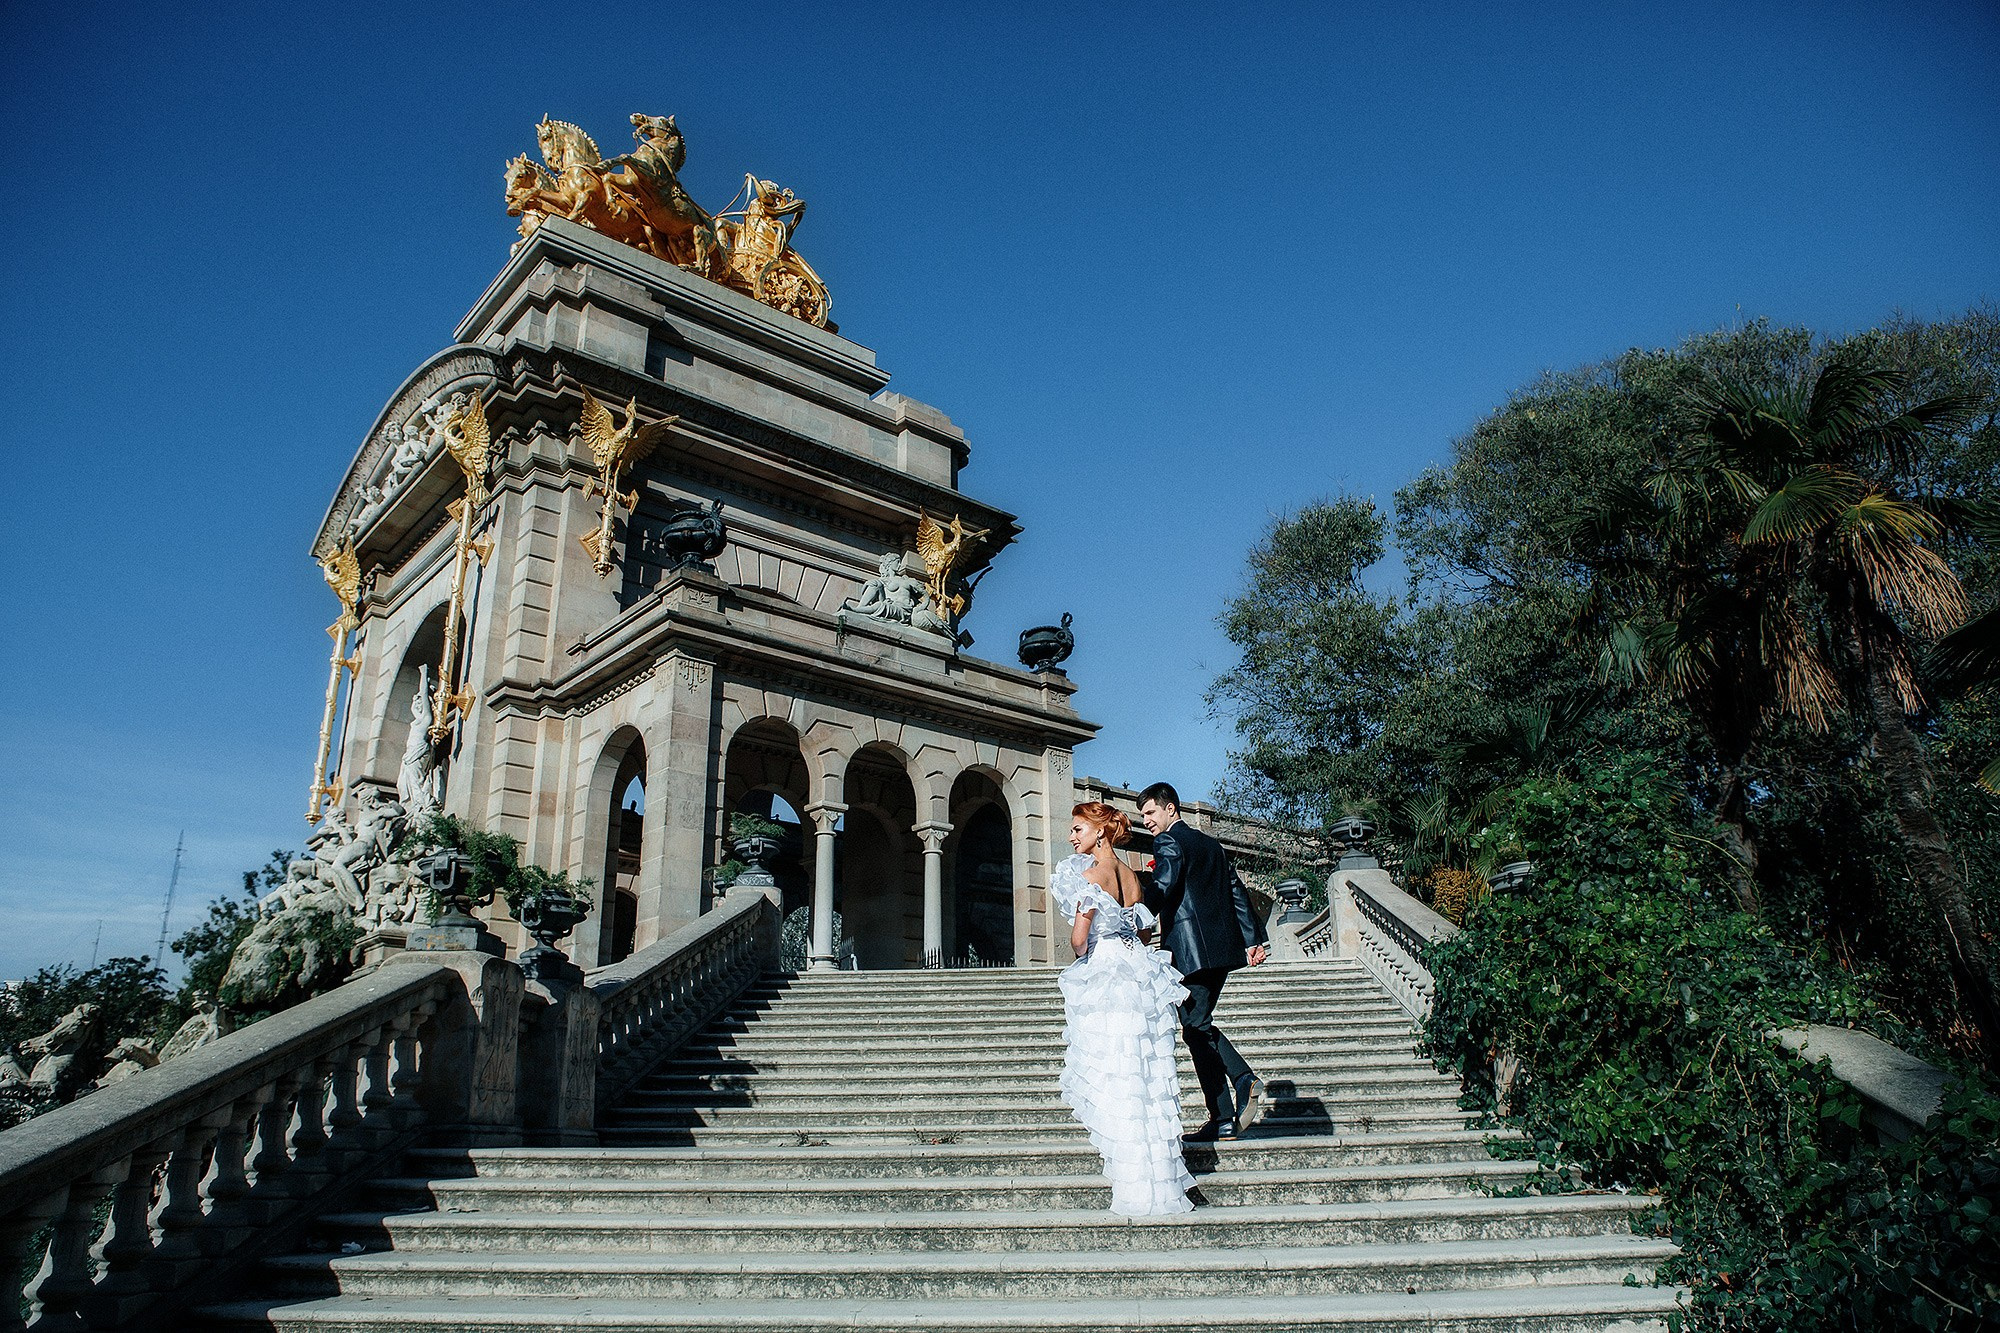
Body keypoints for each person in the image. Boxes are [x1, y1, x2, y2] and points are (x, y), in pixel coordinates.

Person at [1052, 801, 1196, 1215]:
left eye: (1078, 828)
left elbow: (1080, 941)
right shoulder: (1132, 876)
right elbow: (1146, 930)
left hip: (1108, 971)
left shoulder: (1090, 876)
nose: (1072, 836)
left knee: (1117, 1072)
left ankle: (1133, 1184)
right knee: (1145, 1075)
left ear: (1099, 832)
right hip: (1138, 970)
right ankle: (1158, 1181)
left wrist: (1090, 943)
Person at [1139, 781, 1270, 1142]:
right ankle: (1223, 1118)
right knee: (1197, 1025)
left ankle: (1243, 1080)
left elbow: (1163, 886)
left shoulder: (1168, 841)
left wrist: (1133, 913)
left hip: (1191, 953)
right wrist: (1253, 939)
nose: (1147, 820)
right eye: (1144, 815)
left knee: (1195, 1026)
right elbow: (1236, 891)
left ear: (1171, 809)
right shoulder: (1211, 845)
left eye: (1150, 812)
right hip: (1221, 952)